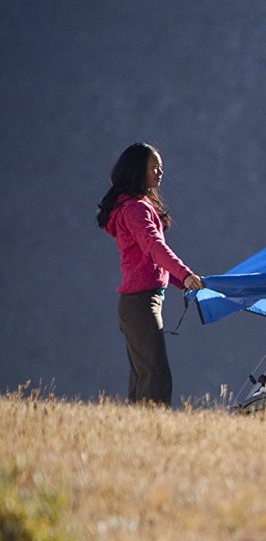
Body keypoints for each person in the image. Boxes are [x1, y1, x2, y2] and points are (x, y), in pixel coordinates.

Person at [96, 143, 204, 406]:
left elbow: (152, 260)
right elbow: (154, 247)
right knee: (155, 376)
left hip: (138, 303)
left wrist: (183, 282)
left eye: (161, 167)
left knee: (143, 376)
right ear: (137, 170)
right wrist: (185, 274)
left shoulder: (134, 206)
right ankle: (153, 427)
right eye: (154, 167)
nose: (160, 172)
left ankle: (137, 427)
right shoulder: (136, 209)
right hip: (140, 303)